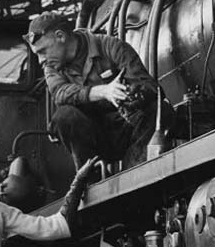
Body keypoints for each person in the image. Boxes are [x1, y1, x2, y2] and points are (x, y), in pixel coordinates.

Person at [24, 12, 173, 169]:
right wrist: (105, 91)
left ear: (60, 36)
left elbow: (152, 88)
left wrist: (135, 95)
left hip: (129, 130)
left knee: (159, 108)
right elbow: (61, 93)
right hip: (94, 138)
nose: (41, 60)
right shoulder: (51, 67)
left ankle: (136, 172)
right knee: (65, 116)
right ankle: (89, 178)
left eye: (42, 51)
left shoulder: (111, 47)